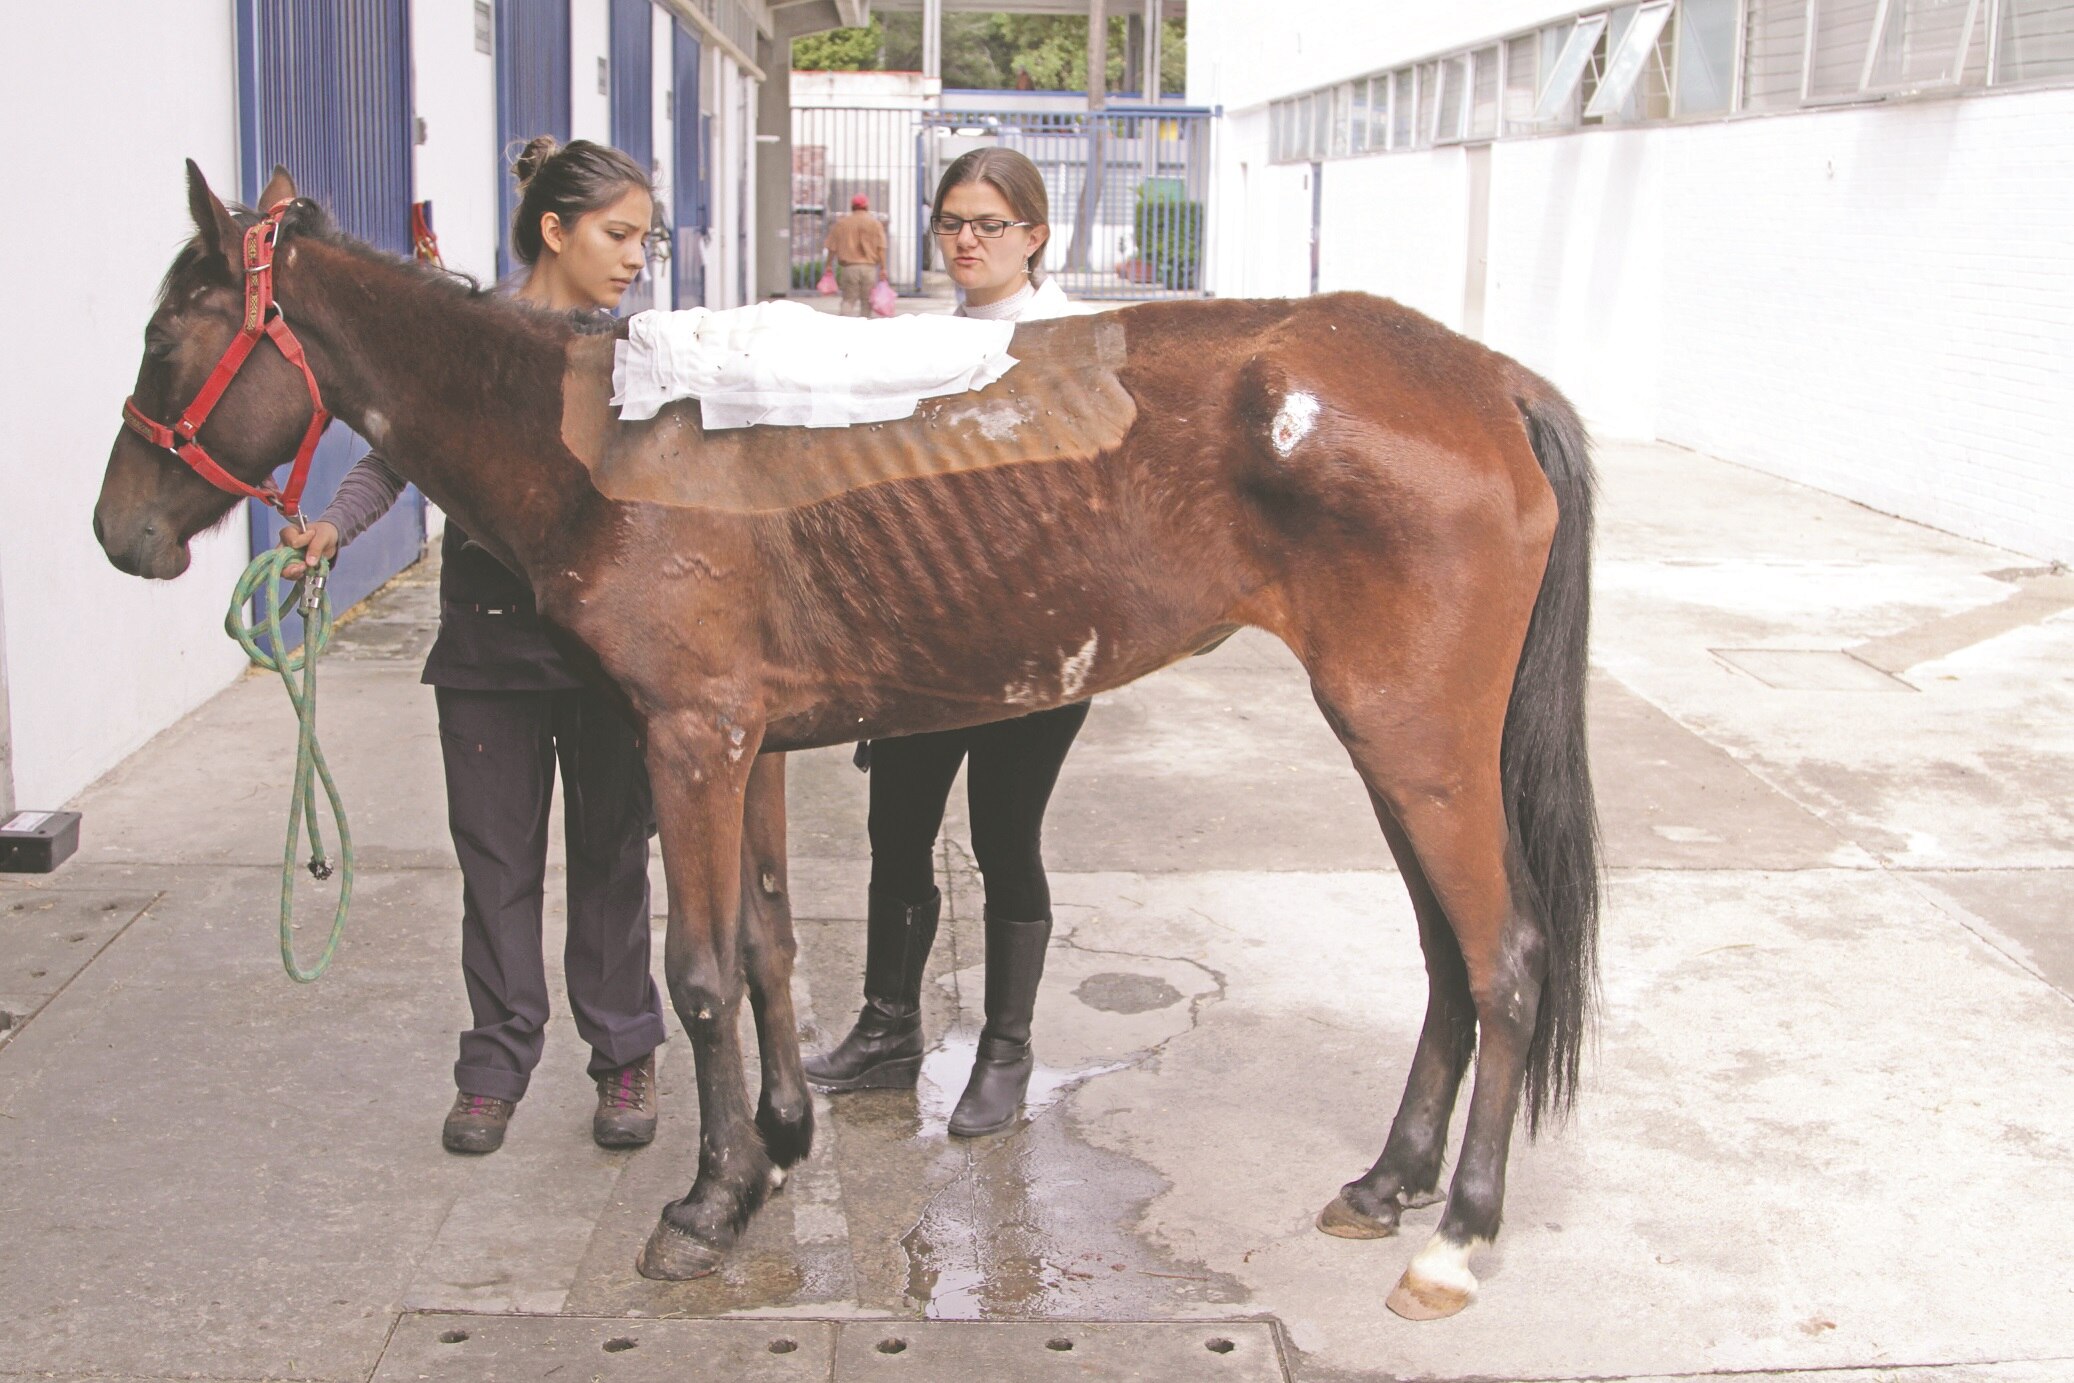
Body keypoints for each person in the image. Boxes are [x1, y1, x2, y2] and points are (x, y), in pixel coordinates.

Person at [280, 138, 665, 1157]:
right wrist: (332, 527)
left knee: (613, 859)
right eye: (618, 235)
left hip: (604, 647)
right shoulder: (471, 336)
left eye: (644, 239)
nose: (635, 258)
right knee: (495, 867)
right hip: (489, 650)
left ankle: (625, 1054)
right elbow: (395, 452)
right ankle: (494, 1067)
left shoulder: (642, 351)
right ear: (556, 229)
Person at [804, 148, 1084, 1138]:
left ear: (1035, 237)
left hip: (1029, 648)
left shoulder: (1072, 342)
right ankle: (888, 1032)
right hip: (921, 643)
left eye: (989, 225)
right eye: (952, 222)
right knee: (896, 838)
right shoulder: (920, 340)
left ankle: (1005, 1051)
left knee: (1006, 843)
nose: (966, 241)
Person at [822, 192, 887, 317]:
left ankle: (844, 329)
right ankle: (864, 329)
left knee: (848, 300)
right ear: (866, 206)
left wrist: (829, 265)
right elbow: (881, 248)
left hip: (849, 268)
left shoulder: (842, 224)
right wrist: (883, 268)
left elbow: (832, 247)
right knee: (867, 302)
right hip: (869, 268)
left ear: (852, 206)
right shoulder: (875, 224)